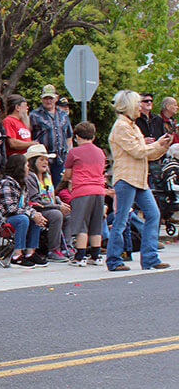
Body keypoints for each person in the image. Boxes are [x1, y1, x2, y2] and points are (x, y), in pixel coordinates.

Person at [105, 90, 172, 272]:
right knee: (122, 219)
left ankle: (149, 257)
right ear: (129, 105)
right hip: (126, 178)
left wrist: (162, 146)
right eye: (138, 103)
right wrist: (158, 145)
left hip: (139, 179)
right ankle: (114, 259)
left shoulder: (133, 126)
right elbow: (138, 151)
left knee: (153, 214)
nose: (141, 107)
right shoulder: (121, 126)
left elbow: (146, 153)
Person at [59, 121, 106, 266]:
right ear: (93, 136)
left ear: (77, 137)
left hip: (82, 190)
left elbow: (67, 174)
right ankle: (96, 255)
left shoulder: (74, 152)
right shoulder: (100, 152)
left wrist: (65, 177)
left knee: (81, 224)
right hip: (99, 190)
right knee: (96, 223)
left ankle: (80, 256)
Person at [0, 155, 48, 267]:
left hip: (14, 216)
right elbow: (10, 208)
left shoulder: (22, 183)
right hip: (1, 218)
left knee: (35, 216)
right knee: (24, 219)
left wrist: (35, 214)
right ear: (19, 167)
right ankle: (16, 256)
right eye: (26, 166)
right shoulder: (6, 183)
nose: (28, 168)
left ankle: (30, 253)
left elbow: (25, 206)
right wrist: (31, 214)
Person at [24, 144, 70, 262]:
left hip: (49, 206)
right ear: (33, 161)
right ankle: (53, 250)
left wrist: (60, 203)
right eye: (42, 159)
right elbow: (36, 200)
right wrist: (58, 206)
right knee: (56, 214)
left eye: (46, 160)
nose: (46, 163)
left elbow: (52, 194)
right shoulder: (30, 177)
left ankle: (66, 247)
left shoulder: (47, 176)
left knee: (69, 214)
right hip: (37, 208)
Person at [29, 84, 73, 186]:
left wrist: (67, 153)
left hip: (60, 159)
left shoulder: (63, 114)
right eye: (46, 98)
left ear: (56, 98)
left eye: (51, 98)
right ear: (41, 99)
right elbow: (29, 136)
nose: (48, 101)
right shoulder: (34, 115)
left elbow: (69, 135)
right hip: (43, 158)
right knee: (44, 186)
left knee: (60, 187)